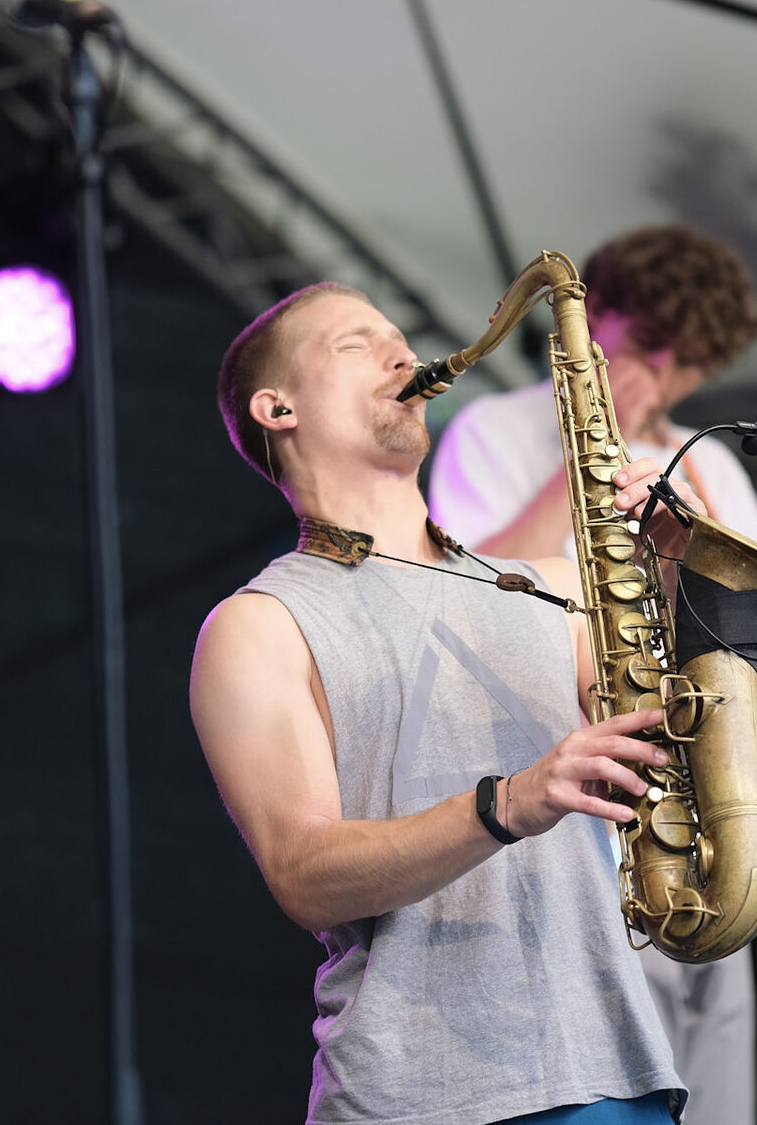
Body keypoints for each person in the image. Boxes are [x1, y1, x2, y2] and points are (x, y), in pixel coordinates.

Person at [190, 282, 702, 1124]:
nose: (403, 354)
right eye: (356, 344)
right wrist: (511, 802)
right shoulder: (259, 626)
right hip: (417, 1098)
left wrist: (694, 565)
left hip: (617, 1069)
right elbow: (304, 875)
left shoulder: (553, 593)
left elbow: (693, 737)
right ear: (277, 408)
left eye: (399, 337)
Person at [428, 224, 757, 1125]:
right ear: (604, 318)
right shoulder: (493, 430)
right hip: (561, 819)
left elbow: (744, 641)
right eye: (651, 343)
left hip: (696, 813)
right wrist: (581, 462)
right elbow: (462, 595)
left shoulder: (707, 460)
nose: (663, 375)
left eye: (688, 360)